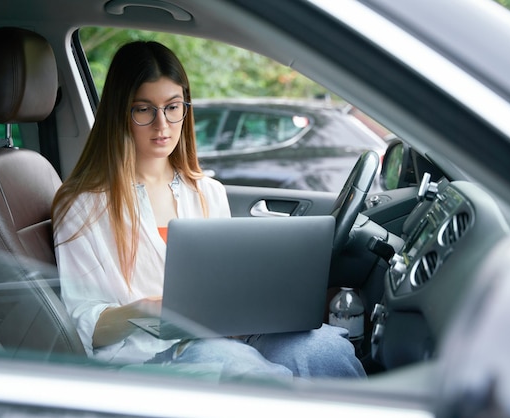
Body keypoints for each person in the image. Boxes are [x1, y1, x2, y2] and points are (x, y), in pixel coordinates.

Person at [52, 40, 366, 381]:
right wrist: (143, 310)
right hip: (146, 358)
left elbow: (227, 289)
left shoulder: (207, 192)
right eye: (144, 110)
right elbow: (79, 321)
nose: (162, 125)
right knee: (236, 365)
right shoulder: (83, 205)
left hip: (226, 338)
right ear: (119, 113)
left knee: (322, 350)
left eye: (173, 107)